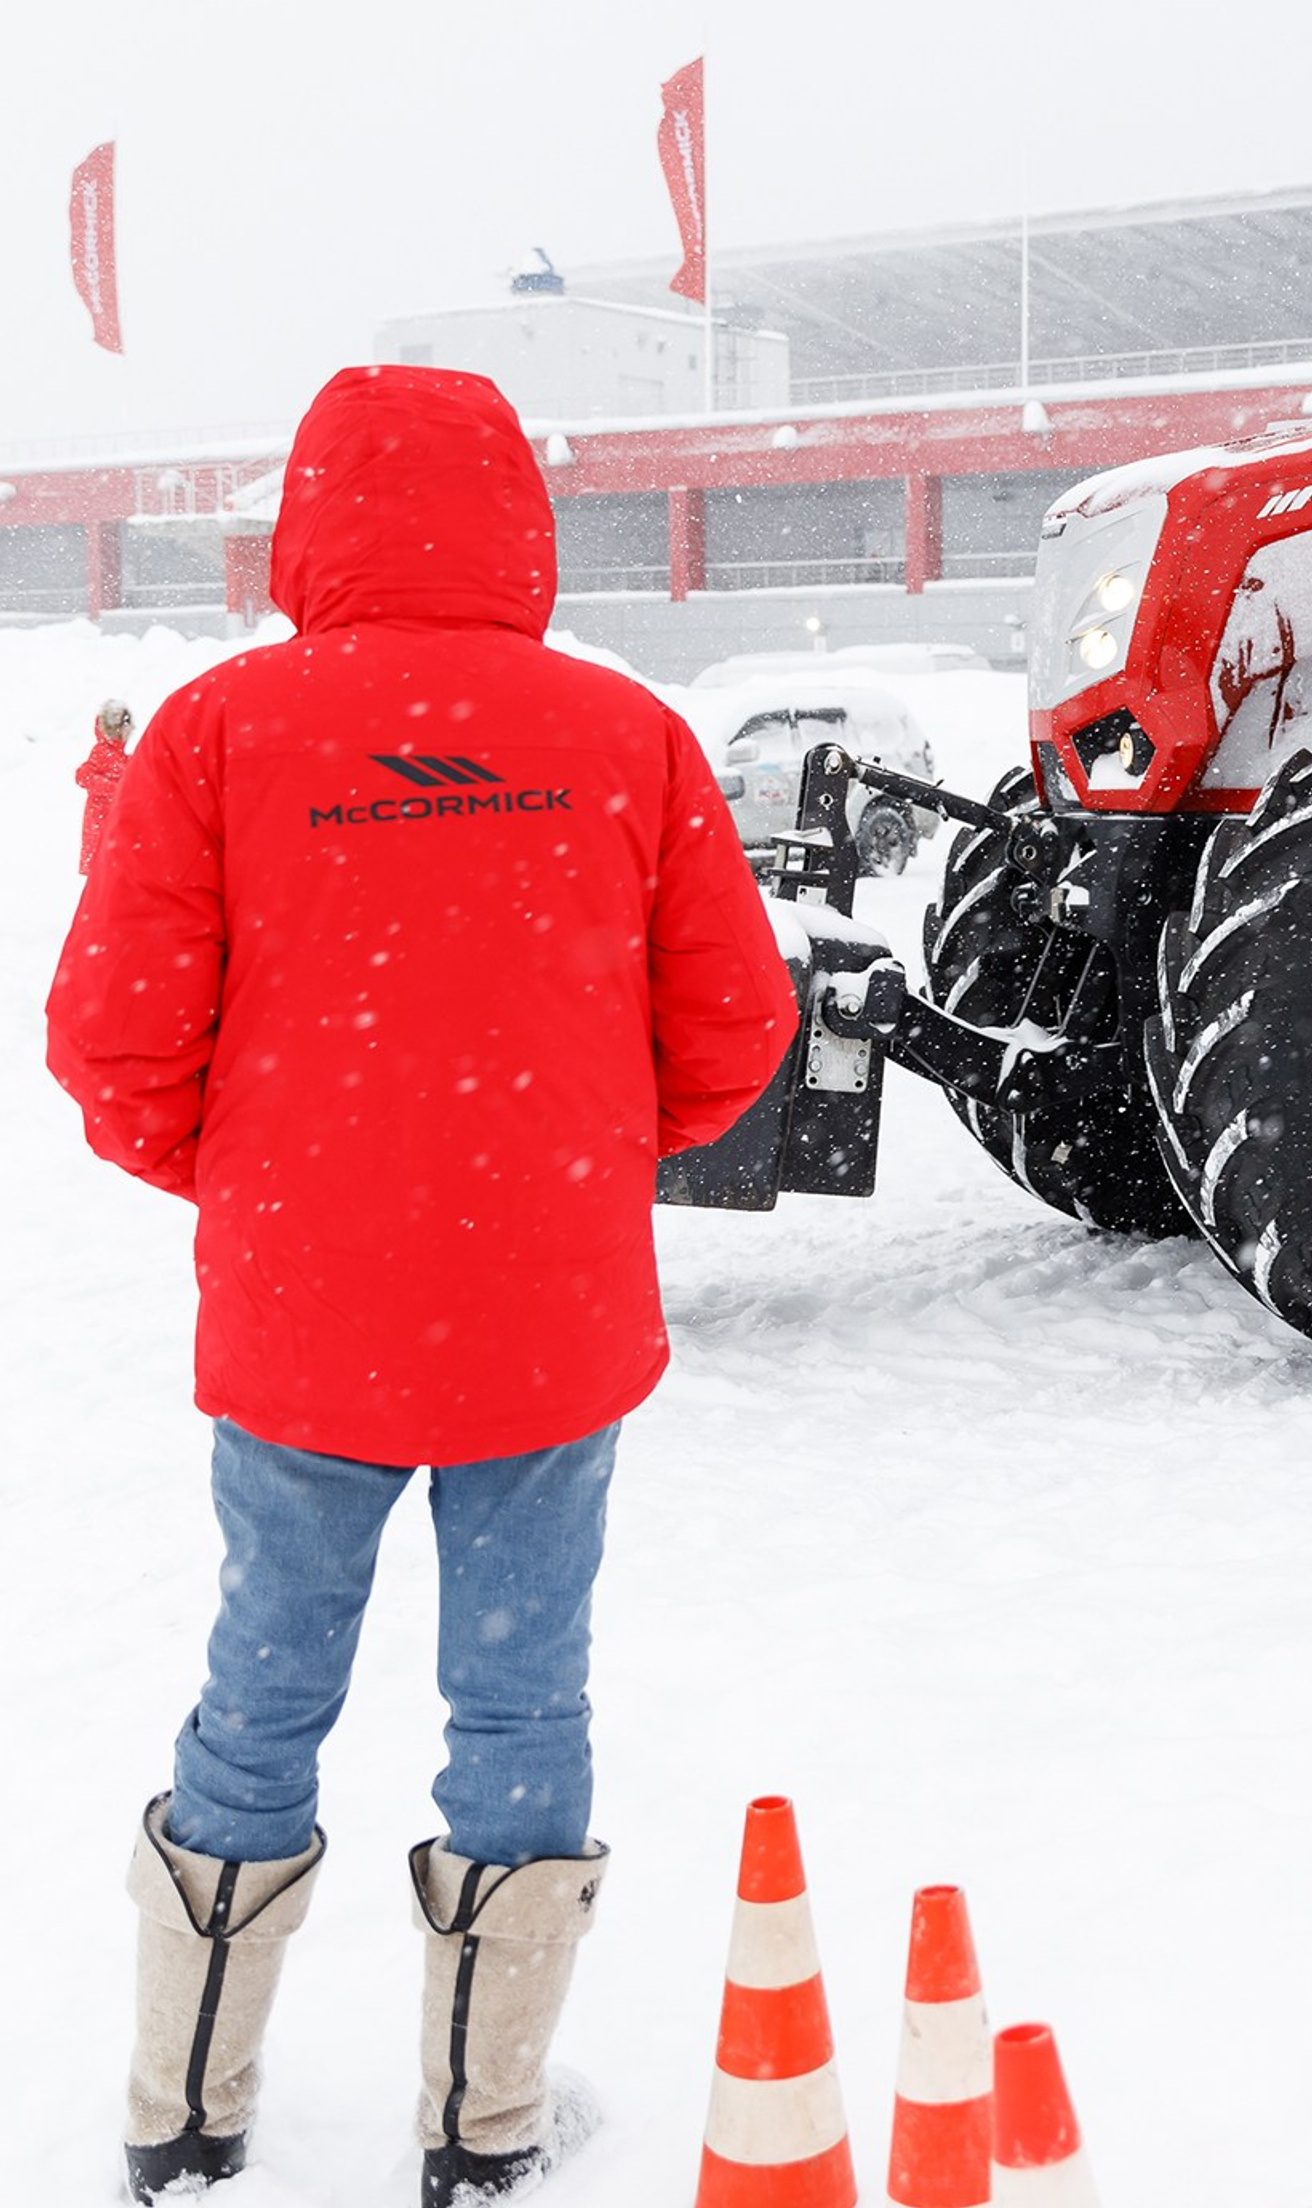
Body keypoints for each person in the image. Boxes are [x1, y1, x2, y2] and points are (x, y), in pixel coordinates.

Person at [46, 366, 800, 2206]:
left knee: (260, 1691)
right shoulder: (623, 736)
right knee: (523, 1705)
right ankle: (483, 2126)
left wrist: (273, 1184)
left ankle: (183, 2110)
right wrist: (570, 1159)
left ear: (310, 517)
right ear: (519, 521)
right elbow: (735, 1029)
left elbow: (117, 1045)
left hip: (302, 1324)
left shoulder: (218, 734)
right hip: (545, 1322)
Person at [77, 698, 133, 872]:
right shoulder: (103, 753)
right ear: (117, 729)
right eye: (128, 725)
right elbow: (84, 776)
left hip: (109, 826)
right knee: (107, 872)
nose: (132, 729)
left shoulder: (118, 755)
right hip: (104, 827)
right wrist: (117, 788)